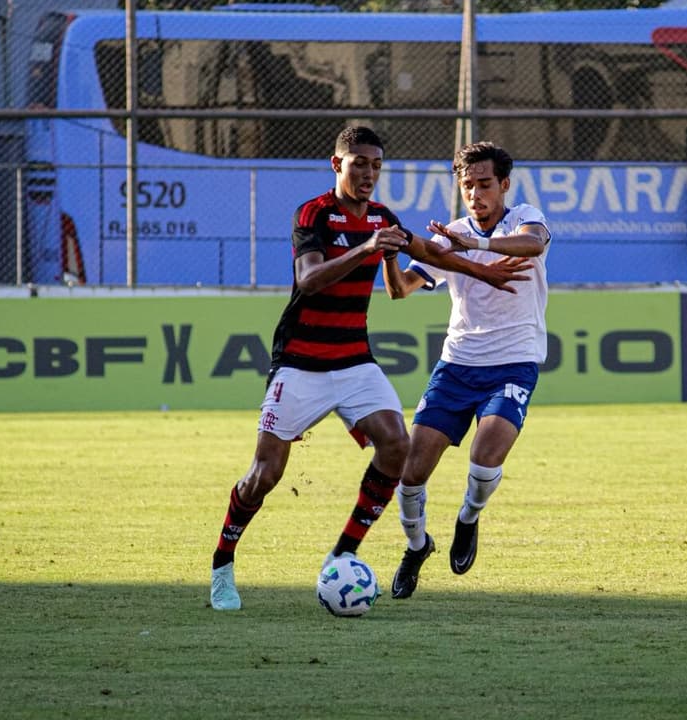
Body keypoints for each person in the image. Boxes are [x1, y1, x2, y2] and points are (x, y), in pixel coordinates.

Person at [209, 126, 530, 611]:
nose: (368, 173)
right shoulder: (315, 213)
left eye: (376, 165)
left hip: (354, 360)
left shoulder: (382, 217)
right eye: (359, 163)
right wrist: (365, 249)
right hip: (300, 360)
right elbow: (308, 279)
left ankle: (343, 553)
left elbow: (430, 253)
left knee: (397, 445)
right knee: (265, 474)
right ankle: (223, 564)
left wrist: (483, 271)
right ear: (336, 164)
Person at [382, 141, 550, 599]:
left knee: (485, 454)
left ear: (504, 185)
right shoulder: (450, 234)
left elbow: (534, 244)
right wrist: (389, 255)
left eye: (484, 184)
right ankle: (416, 547)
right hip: (457, 367)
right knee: (411, 473)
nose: (476, 194)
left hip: (513, 363)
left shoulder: (524, 218)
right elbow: (400, 290)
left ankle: (468, 517)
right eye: (467, 185)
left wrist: (474, 244)